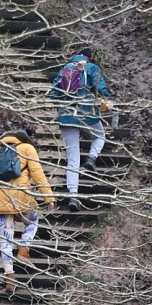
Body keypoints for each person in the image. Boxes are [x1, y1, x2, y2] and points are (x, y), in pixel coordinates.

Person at [50, 46, 117, 213]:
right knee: (100, 136)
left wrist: (63, 107)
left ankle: (73, 195)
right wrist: (109, 100)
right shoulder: (91, 68)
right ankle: (92, 158)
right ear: (89, 58)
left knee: (73, 157)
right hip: (87, 114)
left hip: (67, 116)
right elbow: (100, 87)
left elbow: (53, 94)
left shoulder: (66, 69)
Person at [0, 129, 54, 292]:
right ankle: (23, 251)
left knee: (5, 239)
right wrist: (48, 197)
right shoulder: (27, 148)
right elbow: (38, 174)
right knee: (33, 220)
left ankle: (10, 277)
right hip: (20, 197)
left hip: (0, 197)